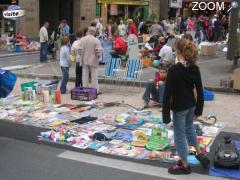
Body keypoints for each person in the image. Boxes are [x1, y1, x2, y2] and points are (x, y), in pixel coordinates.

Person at [162, 38, 210, 175]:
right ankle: (199, 153)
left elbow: (167, 94)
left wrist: (166, 116)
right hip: (191, 106)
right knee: (189, 129)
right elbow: (200, 91)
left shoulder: (174, 70)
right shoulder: (194, 68)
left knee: (179, 135)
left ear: (178, 52)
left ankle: (184, 164)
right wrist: (199, 110)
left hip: (179, 108)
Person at [79, 27, 103, 94]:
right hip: (93, 60)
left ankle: (85, 90)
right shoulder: (96, 40)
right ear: (94, 32)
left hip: (84, 59)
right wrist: (99, 56)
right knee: (94, 76)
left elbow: (79, 49)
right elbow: (99, 51)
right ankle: (95, 91)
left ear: (88, 31)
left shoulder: (82, 39)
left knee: (85, 76)